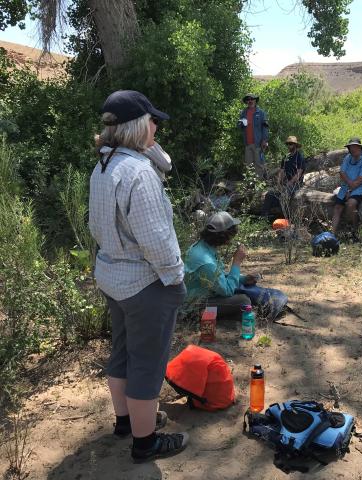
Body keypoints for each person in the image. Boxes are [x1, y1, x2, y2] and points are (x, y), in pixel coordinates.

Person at [89, 90, 188, 462]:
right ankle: (145, 443)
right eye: (151, 121)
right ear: (135, 126)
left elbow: (165, 161)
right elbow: (157, 240)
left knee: (122, 353)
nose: (156, 126)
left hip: (113, 276)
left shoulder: (105, 164)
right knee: (147, 362)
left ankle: (126, 421)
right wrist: (175, 278)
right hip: (146, 283)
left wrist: (149, 145)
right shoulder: (138, 173)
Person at [184, 211, 255, 320]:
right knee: (243, 301)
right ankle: (200, 315)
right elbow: (227, 290)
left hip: (200, 294)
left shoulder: (202, 247)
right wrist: (236, 262)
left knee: (243, 289)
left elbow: (217, 276)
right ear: (226, 236)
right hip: (194, 305)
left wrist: (242, 279)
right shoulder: (206, 262)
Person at [332, 137, 362, 234]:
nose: (353, 149)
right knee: (337, 207)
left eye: (355, 147)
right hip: (345, 187)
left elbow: (360, 180)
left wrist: (350, 191)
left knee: (351, 204)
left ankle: (355, 230)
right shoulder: (348, 157)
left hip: (360, 188)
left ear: (360, 148)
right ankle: (332, 233)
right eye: (351, 147)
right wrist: (348, 188)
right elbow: (342, 172)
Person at [262, 135, 305, 219]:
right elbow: (281, 171)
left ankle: (284, 219)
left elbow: (299, 172)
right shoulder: (286, 157)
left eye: (291, 144)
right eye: (288, 144)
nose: (289, 146)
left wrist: (291, 182)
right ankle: (264, 217)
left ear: (295, 145)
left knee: (284, 196)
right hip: (286, 183)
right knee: (269, 194)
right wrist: (278, 183)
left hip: (297, 184)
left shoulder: (300, 157)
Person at [237, 93, 269, 176]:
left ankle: (260, 184)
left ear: (255, 100)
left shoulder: (261, 113)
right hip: (247, 143)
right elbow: (239, 126)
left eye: (252, 99)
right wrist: (241, 124)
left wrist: (264, 140)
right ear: (246, 102)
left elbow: (265, 127)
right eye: (248, 99)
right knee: (248, 165)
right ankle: (251, 185)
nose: (250, 101)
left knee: (259, 164)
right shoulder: (243, 112)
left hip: (258, 143)